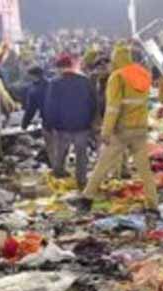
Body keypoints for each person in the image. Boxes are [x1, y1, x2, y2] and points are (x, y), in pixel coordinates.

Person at [77, 44, 157, 212]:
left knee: (103, 165)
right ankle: (153, 204)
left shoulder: (117, 76)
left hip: (122, 130)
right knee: (144, 169)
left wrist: (106, 131)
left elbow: (113, 108)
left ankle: (87, 198)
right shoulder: (143, 74)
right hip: (140, 128)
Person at [44, 54, 98, 190]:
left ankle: (58, 178)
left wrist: (50, 124)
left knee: (60, 153)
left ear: (59, 67)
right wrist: (91, 121)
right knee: (81, 154)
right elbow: (93, 102)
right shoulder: (85, 81)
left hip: (62, 126)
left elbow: (51, 106)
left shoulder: (55, 83)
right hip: (82, 125)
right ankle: (81, 180)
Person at [21, 65, 52, 162]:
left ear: (33, 75)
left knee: (51, 147)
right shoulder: (53, 84)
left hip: (47, 121)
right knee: (61, 147)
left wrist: (24, 124)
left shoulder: (34, 89)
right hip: (61, 121)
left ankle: (56, 167)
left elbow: (31, 109)